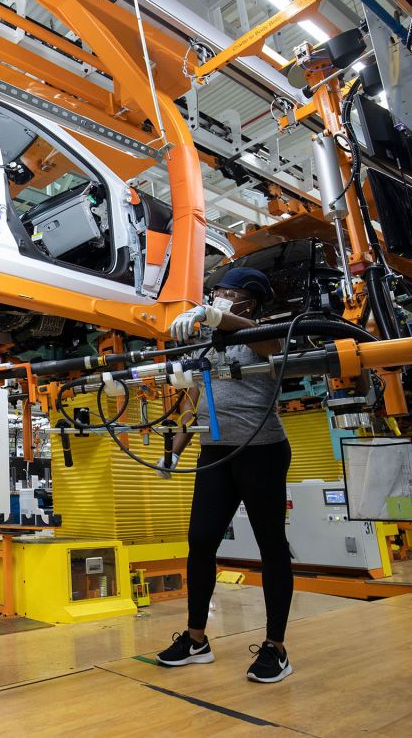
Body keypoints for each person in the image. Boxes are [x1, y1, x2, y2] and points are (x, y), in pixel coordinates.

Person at [155, 266, 295, 684]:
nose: (215, 298)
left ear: (249, 299)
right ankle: (196, 640)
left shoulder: (267, 331)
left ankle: (276, 647)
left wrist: (215, 317)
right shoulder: (208, 347)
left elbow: (267, 346)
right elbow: (192, 404)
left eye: (223, 293)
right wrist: (174, 454)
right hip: (215, 454)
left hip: (263, 451)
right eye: (213, 294)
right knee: (200, 540)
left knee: (271, 544)